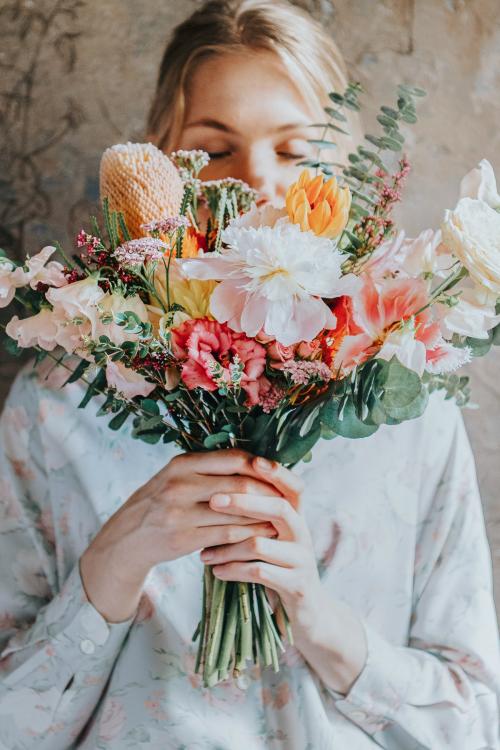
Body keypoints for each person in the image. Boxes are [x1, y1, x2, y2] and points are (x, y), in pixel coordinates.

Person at [0, 1, 499, 747]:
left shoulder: (408, 400)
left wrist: (323, 621)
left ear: (347, 179)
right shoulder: (57, 401)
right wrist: (114, 561)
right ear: (162, 165)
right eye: (214, 147)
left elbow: (477, 725)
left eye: (297, 151)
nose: (259, 183)